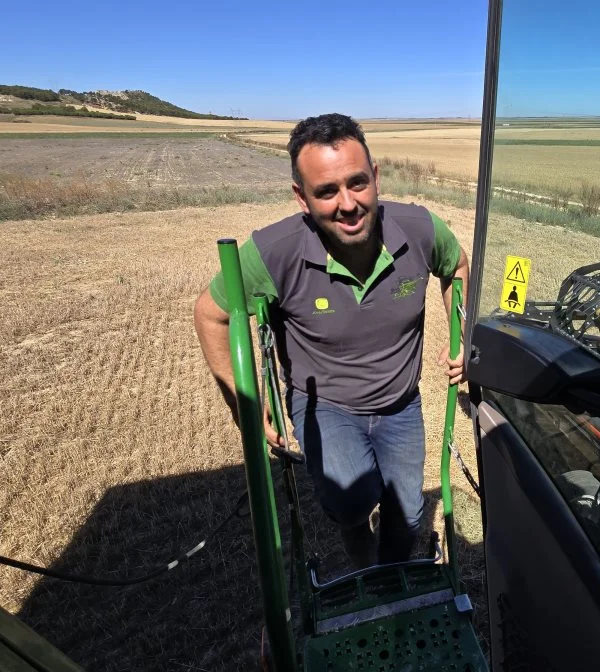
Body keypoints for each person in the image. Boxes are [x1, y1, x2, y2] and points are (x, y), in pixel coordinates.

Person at [193, 113, 470, 568]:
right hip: (326, 406)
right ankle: (361, 564)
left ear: (376, 178)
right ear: (302, 198)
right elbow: (211, 312)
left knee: (409, 514)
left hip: (401, 402)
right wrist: (244, 404)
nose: (348, 203)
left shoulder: (419, 228)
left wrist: (463, 334)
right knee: (351, 501)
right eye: (327, 191)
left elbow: (456, 266)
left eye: (358, 183)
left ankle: (390, 578)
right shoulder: (274, 251)